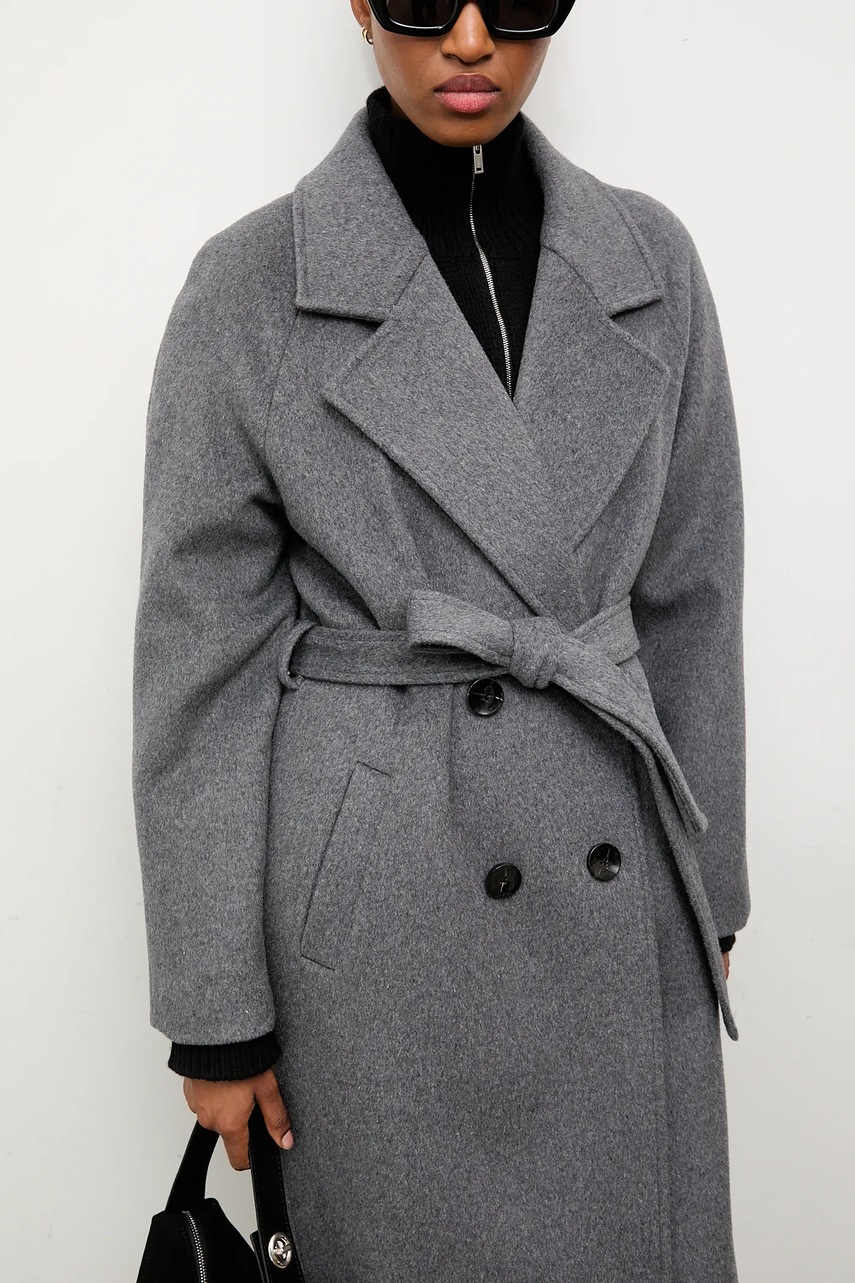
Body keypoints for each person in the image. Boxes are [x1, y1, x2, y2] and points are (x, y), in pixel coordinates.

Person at [132, 2, 750, 1279]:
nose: (471, 39)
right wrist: (214, 1010)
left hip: (619, 874)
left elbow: (693, 594)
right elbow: (203, 663)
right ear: (361, 5)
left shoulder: (652, 262)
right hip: (385, 922)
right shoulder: (250, 287)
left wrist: (712, 888)